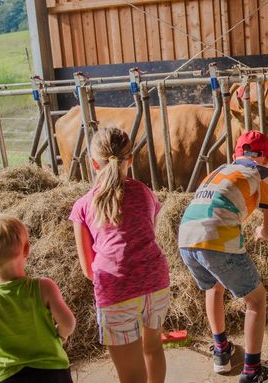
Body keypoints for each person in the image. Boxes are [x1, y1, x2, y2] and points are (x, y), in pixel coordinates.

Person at [178, 131, 268, 383]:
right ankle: (252, 372)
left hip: (186, 237)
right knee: (257, 300)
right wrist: (260, 232)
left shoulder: (218, 170)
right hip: (217, 237)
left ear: (235, 155)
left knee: (214, 287)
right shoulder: (265, 174)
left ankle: (221, 351)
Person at [69, 127, 170, 383]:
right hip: (156, 281)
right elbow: (148, 235)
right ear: (131, 159)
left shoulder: (83, 205)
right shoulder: (146, 192)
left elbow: (88, 270)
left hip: (116, 287)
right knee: (154, 348)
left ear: (93, 164)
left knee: (132, 376)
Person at [0, 214, 76, 383]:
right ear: (26, 249)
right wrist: (60, 335)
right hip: (51, 371)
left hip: (9, 375)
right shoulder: (44, 287)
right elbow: (68, 323)